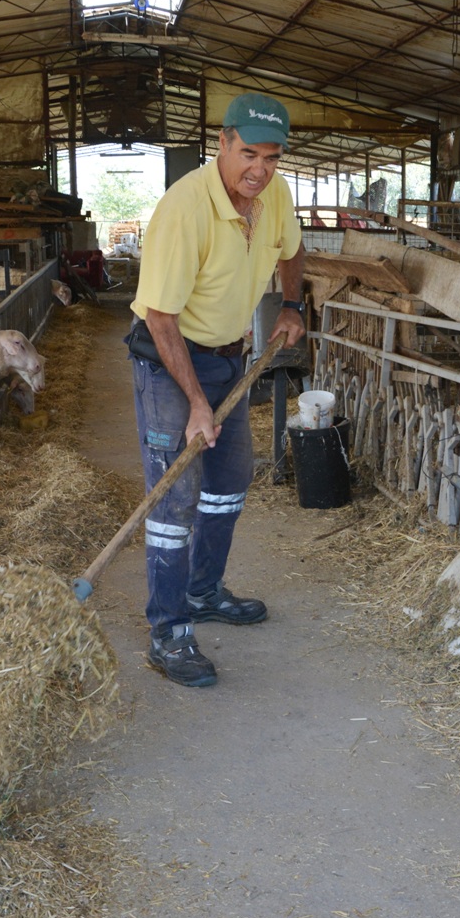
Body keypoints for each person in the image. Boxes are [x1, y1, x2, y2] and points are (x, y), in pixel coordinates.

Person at [126, 92, 307, 687]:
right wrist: (197, 403)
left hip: (229, 357)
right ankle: (169, 632)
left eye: (272, 158)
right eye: (248, 153)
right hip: (169, 360)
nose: (259, 169)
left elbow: (294, 249)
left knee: (229, 482)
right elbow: (160, 316)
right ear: (224, 143)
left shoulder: (272, 196)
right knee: (175, 497)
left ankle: (203, 592)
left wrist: (291, 304)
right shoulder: (185, 210)